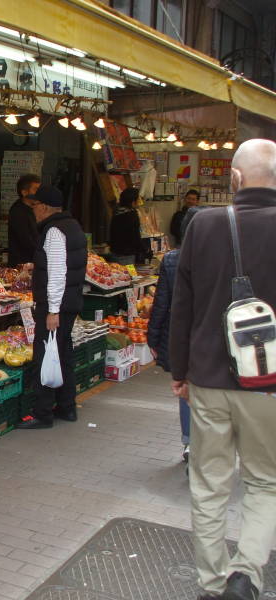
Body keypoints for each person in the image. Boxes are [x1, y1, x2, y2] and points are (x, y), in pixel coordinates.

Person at [170, 139, 276, 600]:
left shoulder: (204, 223)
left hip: (208, 377)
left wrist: (179, 371)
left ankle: (212, 584)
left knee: (209, 484)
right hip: (269, 384)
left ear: (234, 178)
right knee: (265, 481)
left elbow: (182, 305)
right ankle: (246, 573)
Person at [17, 185, 87, 429]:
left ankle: (43, 412)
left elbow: (58, 273)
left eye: (35, 205)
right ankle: (67, 407)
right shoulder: (72, 225)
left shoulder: (55, 231)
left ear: (44, 207)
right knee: (63, 353)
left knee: (45, 354)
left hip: (56, 305)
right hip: (70, 301)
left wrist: (52, 311)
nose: (33, 210)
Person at [147, 206, 202, 464]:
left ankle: (189, 442)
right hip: (209, 334)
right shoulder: (220, 257)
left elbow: (161, 303)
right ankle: (208, 439)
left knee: (185, 386)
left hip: (180, 334)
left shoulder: (171, 259)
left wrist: (153, 337)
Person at [7, 173, 41, 267]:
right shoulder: (17, 212)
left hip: (33, 262)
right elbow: (26, 240)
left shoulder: (35, 209)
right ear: (24, 192)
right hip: (21, 265)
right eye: (36, 190)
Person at [109, 187, 145, 265]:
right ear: (133, 201)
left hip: (114, 252)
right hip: (127, 255)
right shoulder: (131, 214)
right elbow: (135, 236)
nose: (139, 202)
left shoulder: (116, 212)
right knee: (127, 276)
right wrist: (143, 249)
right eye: (138, 199)